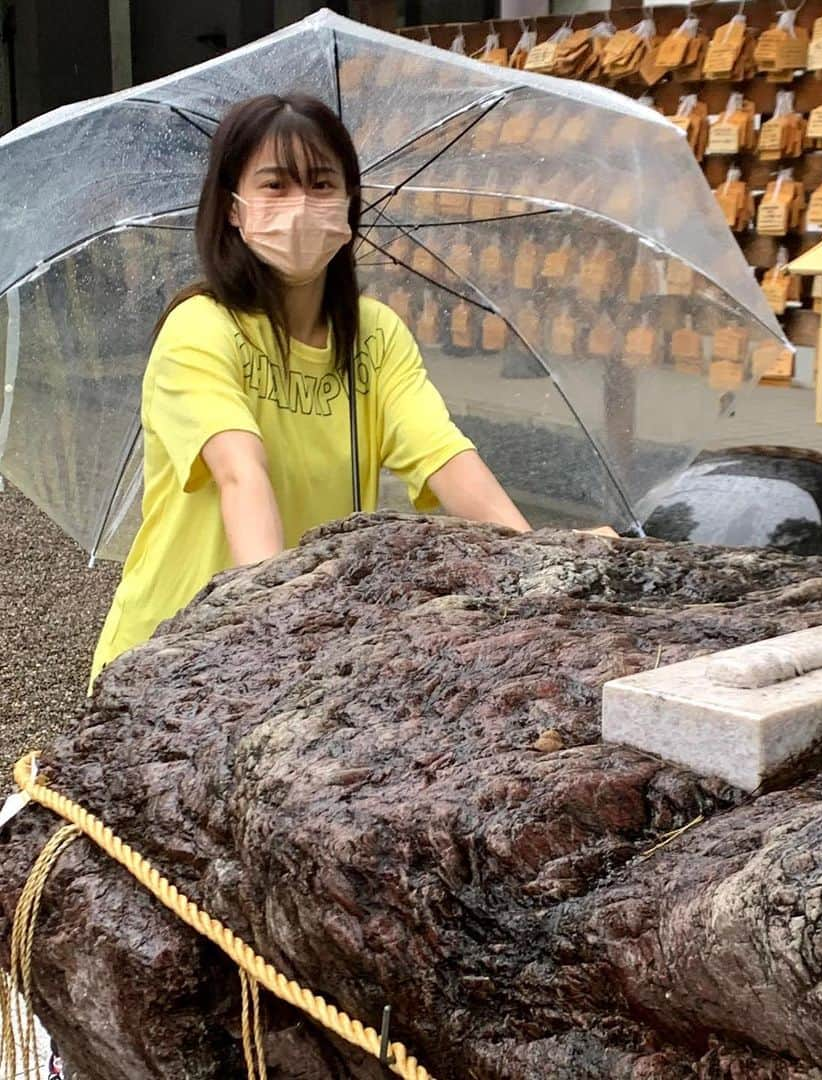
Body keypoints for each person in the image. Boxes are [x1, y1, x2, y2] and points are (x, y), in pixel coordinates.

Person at [88, 92, 532, 688]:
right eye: (275, 185)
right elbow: (241, 473)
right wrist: (272, 615)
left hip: (302, 656)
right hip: (173, 654)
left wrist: (535, 560)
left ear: (349, 203)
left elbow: (444, 455)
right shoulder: (199, 329)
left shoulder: (376, 334)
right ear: (232, 208)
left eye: (322, 184)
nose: (301, 206)